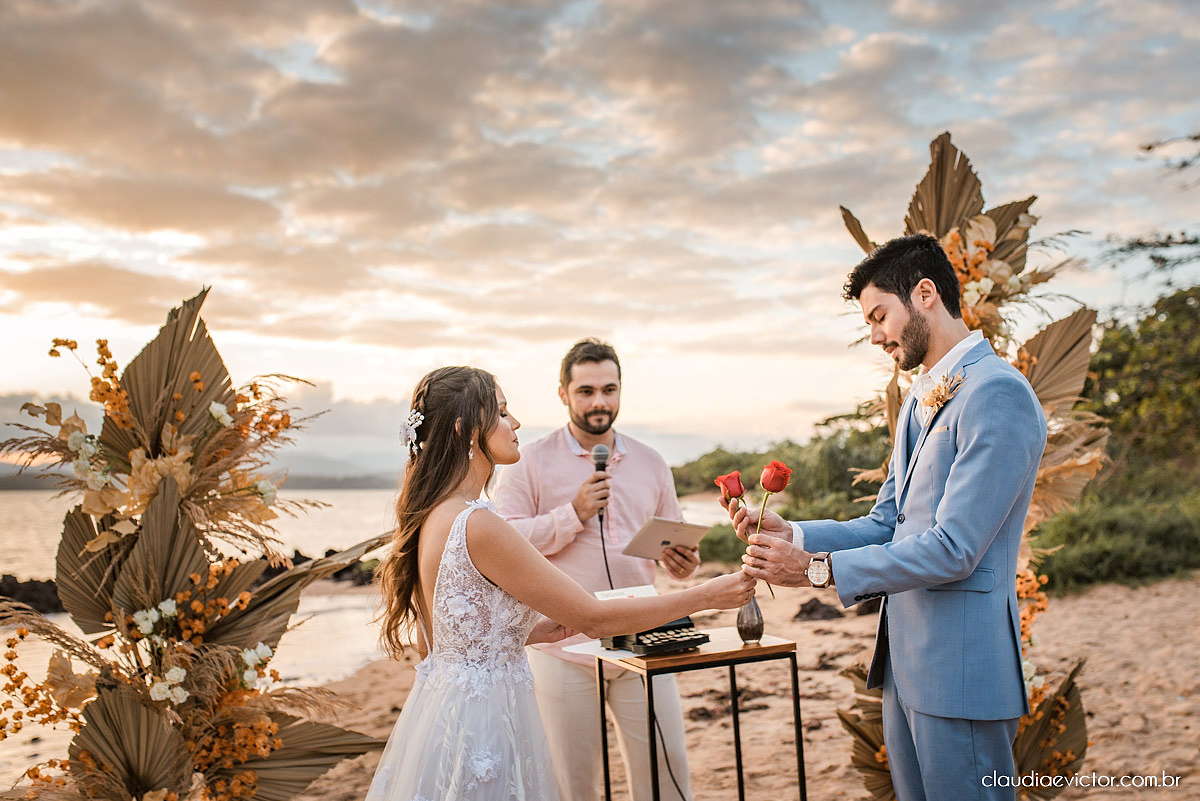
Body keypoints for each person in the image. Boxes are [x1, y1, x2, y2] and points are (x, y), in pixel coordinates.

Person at [728, 234, 1046, 801]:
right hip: (905, 666)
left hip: (963, 673)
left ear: (925, 294)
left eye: (880, 316)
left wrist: (818, 571)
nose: (874, 335)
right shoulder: (920, 401)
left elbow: (955, 548)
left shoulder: (997, 393)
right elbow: (887, 521)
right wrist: (792, 532)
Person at [367, 366, 755, 801]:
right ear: (465, 428)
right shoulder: (478, 523)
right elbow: (593, 617)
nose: (515, 423)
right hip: (490, 725)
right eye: (501, 412)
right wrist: (708, 595)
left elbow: (431, 639)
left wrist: (520, 632)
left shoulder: (432, 515)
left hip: (447, 718)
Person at [494, 339, 701, 801]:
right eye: (586, 391)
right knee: (573, 786)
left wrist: (683, 564)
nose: (599, 402)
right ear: (563, 393)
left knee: (666, 778)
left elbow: (673, 544)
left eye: (609, 389)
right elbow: (503, 543)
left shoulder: (651, 461)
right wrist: (573, 514)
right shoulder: (528, 461)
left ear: (621, 390)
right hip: (562, 646)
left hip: (646, 638)